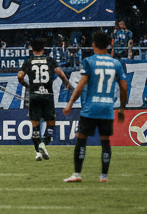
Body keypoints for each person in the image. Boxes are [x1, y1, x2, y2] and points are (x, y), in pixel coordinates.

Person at [62, 30, 127, 183]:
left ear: (93, 44)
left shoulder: (89, 61)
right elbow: (123, 87)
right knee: (105, 141)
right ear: (110, 45)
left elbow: (81, 85)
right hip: (107, 109)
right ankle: (104, 176)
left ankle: (77, 174)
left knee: (81, 139)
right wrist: (122, 108)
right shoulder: (116, 63)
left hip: (90, 108)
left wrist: (70, 103)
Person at [18, 38, 72, 161]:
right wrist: (66, 83)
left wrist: (26, 85)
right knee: (51, 124)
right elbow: (59, 72)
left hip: (34, 95)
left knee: (35, 126)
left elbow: (20, 75)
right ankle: (43, 143)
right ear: (44, 48)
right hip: (48, 96)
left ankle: (37, 152)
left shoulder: (29, 61)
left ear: (31, 48)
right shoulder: (50, 60)